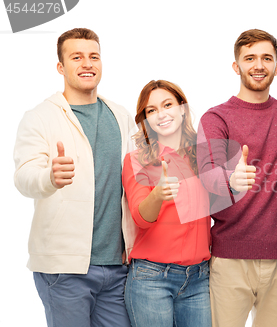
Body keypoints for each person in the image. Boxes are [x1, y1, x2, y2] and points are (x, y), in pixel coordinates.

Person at [13, 28, 135, 327]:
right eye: (76, 57)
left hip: (117, 266)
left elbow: (140, 174)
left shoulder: (119, 115)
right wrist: (49, 177)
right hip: (64, 269)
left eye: (94, 56)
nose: (87, 63)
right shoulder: (39, 116)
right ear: (61, 67)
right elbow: (24, 176)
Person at [197, 29, 277, 327]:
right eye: (250, 58)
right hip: (229, 258)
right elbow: (207, 174)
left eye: (266, 58)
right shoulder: (215, 117)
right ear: (236, 66)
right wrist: (231, 179)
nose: (258, 65)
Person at [122, 80, 211, 327]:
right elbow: (140, 217)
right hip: (152, 279)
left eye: (167, 104)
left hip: (199, 278)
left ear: (182, 108)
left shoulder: (202, 155)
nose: (161, 114)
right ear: (145, 120)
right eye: (151, 110)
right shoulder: (137, 160)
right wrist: (157, 195)